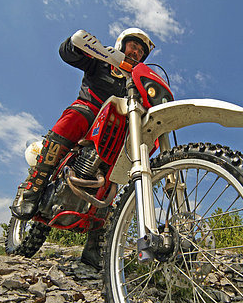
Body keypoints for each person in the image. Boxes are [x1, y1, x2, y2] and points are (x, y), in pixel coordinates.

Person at [11, 27, 155, 269]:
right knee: (73, 118)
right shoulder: (102, 61)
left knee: (113, 180)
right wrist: (78, 44)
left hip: (113, 129)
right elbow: (68, 54)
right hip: (90, 110)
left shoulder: (136, 80)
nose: (137, 52)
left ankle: (95, 248)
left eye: (141, 51)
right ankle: (33, 189)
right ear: (122, 44)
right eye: (133, 46)